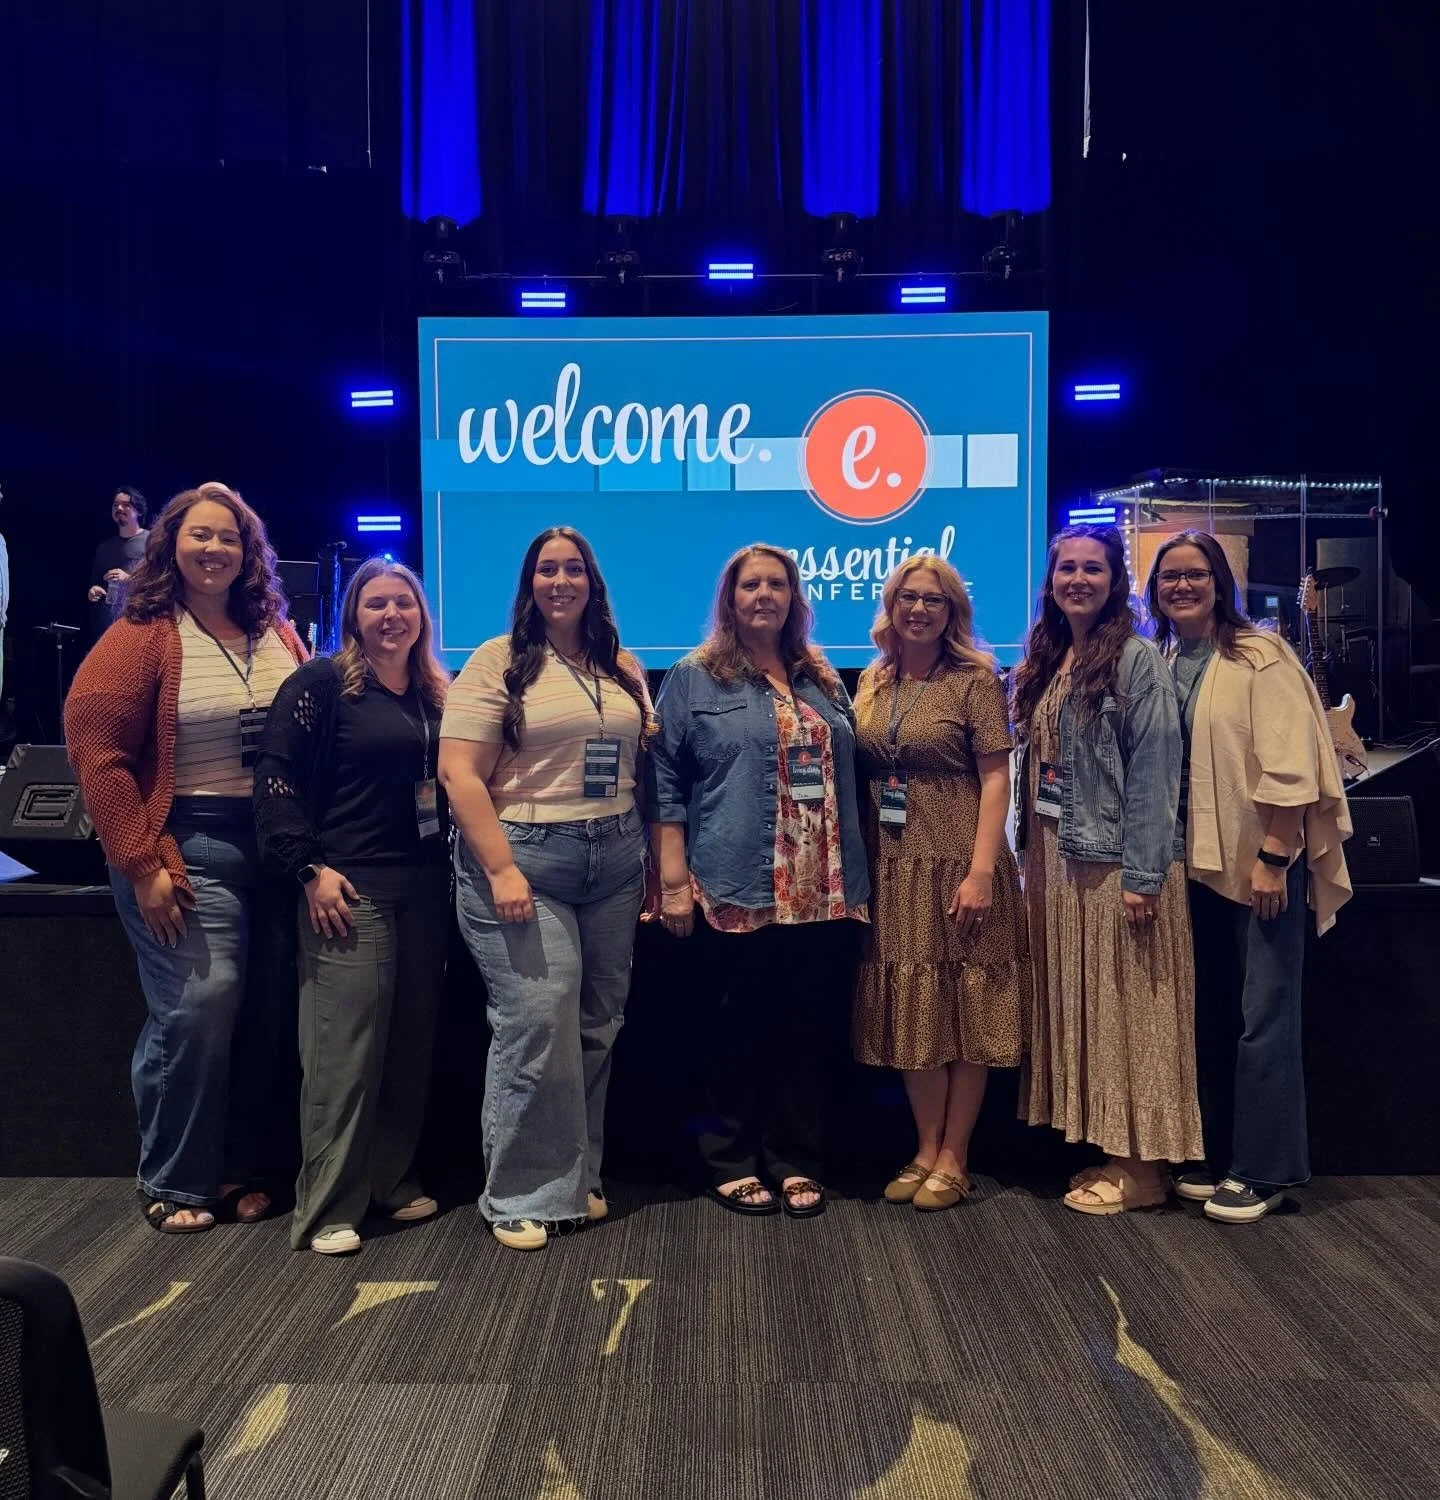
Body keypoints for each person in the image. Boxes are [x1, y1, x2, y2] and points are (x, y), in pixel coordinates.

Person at [65, 482, 308, 1233]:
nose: (215, 549)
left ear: (249, 552)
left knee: (265, 1011)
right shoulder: (141, 634)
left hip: (272, 841)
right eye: (200, 535)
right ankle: (174, 1177)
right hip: (183, 842)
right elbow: (97, 752)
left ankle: (239, 1168)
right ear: (169, 544)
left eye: (229, 537)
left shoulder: (275, 630)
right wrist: (142, 865)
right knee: (200, 1004)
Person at [438, 527, 652, 1252]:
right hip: (524, 857)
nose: (561, 581)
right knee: (538, 1017)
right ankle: (521, 1194)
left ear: (593, 582)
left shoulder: (620, 664)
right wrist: (501, 869)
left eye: (574, 569)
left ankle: (577, 1176)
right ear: (530, 583)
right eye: (547, 570)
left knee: (596, 1022)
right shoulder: (496, 660)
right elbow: (459, 773)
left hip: (614, 856)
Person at [649, 543, 869, 1221]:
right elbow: (663, 781)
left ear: (794, 598)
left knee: (803, 1028)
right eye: (751, 585)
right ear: (731, 598)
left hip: (821, 886)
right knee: (733, 1027)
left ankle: (795, 1158)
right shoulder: (693, 678)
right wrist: (673, 879)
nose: (764, 595)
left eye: (777, 584)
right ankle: (731, 1160)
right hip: (734, 882)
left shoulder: (820, 674)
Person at [1148, 530, 1352, 1223]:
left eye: (1195, 574)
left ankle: (1265, 1170)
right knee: (1210, 1012)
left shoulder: (1261, 656)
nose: (1182, 586)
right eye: (1170, 576)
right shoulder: (1163, 657)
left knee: (1264, 1016)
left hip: (1259, 865)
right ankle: (1216, 1153)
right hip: (1190, 865)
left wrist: (1273, 857)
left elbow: (1293, 765)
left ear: (1220, 583)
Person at [255, 558, 451, 1254]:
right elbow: (275, 779)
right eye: (376, 604)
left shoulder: (434, 691)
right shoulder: (322, 684)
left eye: (404, 603)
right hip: (347, 887)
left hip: (424, 886)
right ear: (352, 616)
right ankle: (328, 1208)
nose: (392, 615)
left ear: (422, 615)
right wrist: (309, 870)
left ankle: (389, 1182)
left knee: (408, 1044)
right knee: (344, 1051)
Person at [1010, 524, 1202, 1215]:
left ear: (1115, 581)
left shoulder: (1135, 659)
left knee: (1133, 1016)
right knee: (1095, 1013)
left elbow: (1156, 774)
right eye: (1067, 568)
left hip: (1118, 865)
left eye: (1093, 568)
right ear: (1051, 581)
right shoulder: (1053, 656)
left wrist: (1144, 876)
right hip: (1060, 864)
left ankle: (1144, 1171)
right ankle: (1118, 1151)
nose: (1078, 579)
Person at [852, 557, 1029, 1212]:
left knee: (966, 1006)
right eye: (908, 597)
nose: (919, 609)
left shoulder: (975, 680)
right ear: (891, 604)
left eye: (933, 600)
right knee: (913, 1008)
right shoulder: (873, 680)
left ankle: (956, 1156)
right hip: (893, 868)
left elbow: (996, 778)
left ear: (953, 610)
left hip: (960, 863)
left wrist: (982, 871)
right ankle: (925, 1148)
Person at [88, 487, 150, 636]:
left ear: (139, 511)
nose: (119, 508)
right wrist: (93, 591)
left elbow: (162, 581)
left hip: (140, 622)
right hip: (106, 627)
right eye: (116, 505)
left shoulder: (151, 542)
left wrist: (129, 578)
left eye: (126, 504)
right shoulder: (105, 547)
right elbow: (95, 583)